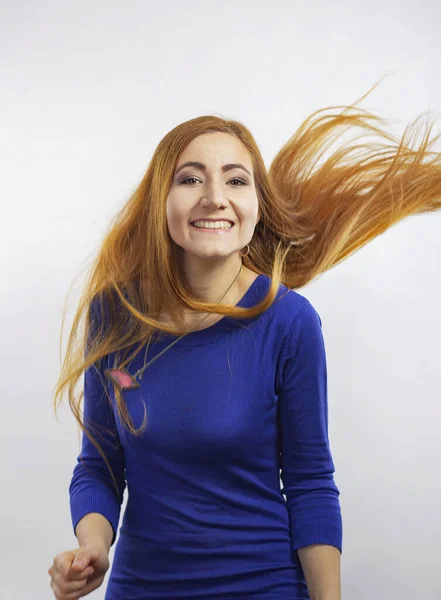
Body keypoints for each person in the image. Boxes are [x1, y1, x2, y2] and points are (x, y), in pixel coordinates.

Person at [48, 87, 441, 599]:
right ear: (160, 203)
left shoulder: (289, 322)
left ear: (256, 206)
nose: (215, 196)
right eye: (190, 179)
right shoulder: (113, 314)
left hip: (265, 586)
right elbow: (99, 466)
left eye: (236, 180)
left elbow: (310, 483)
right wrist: (92, 545)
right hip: (142, 587)